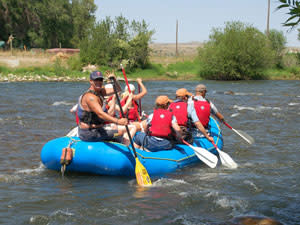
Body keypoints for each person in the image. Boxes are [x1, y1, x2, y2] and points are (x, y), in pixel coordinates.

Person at [77, 71, 136, 145]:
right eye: (96, 80)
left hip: (98, 129)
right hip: (89, 133)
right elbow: (100, 114)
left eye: (100, 80)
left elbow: (117, 89)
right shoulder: (90, 97)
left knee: (116, 129)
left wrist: (114, 80)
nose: (99, 82)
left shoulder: (101, 91)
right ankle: (124, 154)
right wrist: (118, 121)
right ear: (91, 81)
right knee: (120, 135)